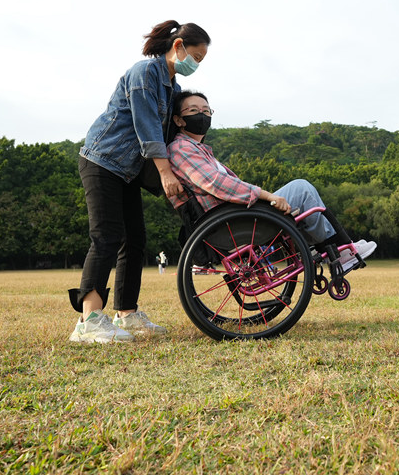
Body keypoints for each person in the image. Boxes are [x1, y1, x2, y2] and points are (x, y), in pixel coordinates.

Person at [68, 21, 209, 345]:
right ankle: (88, 320)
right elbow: (148, 129)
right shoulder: (145, 73)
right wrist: (164, 173)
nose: (196, 65)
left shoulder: (172, 89)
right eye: (196, 57)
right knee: (106, 237)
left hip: (128, 170)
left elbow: (174, 131)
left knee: (135, 240)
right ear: (178, 47)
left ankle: (126, 314)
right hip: (103, 161)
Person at [166, 91, 377, 268]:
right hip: (230, 222)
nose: (201, 115)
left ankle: (334, 249)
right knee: (302, 189)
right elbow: (215, 183)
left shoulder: (198, 150)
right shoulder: (181, 148)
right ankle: (341, 252)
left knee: (303, 199)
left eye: (205, 110)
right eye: (193, 111)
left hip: (232, 217)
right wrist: (266, 196)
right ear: (178, 119)